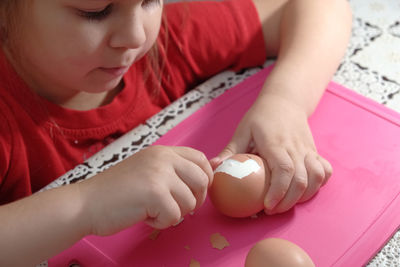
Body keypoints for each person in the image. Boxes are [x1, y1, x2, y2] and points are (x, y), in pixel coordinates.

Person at [0, 0, 351, 265]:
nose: (135, 36)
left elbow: (316, 5)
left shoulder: (168, 45)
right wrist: (86, 205)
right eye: (97, 10)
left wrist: (285, 100)